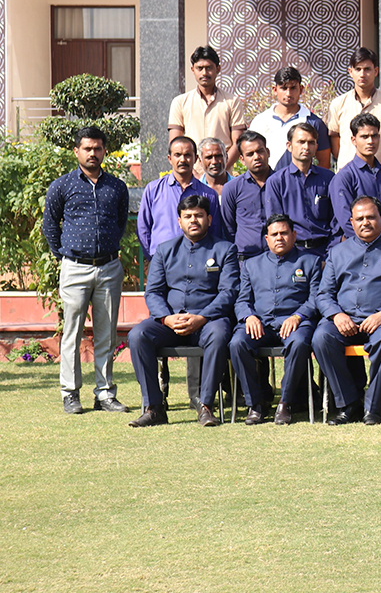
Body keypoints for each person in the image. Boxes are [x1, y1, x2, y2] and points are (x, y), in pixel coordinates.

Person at [127, 196, 239, 427]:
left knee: (219, 334)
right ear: (179, 221)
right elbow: (153, 292)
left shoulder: (225, 249)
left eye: (199, 215)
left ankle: (205, 405)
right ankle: (154, 407)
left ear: (209, 219)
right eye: (188, 216)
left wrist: (202, 317)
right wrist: (166, 318)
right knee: (138, 335)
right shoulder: (165, 250)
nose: (193, 220)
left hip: (208, 321)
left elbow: (228, 292)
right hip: (171, 323)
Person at [42, 126, 130, 415]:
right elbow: (50, 225)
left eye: (98, 148)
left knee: (107, 334)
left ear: (104, 151)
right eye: (87, 148)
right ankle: (70, 393)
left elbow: (120, 223)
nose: (93, 153)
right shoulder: (62, 186)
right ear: (76, 151)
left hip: (109, 267)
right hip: (75, 267)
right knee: (72, 332)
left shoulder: (116, 187)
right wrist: (64, 256)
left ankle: (104, 394)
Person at [312, 196, 381, 425]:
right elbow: (323, 294)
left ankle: (373, 406)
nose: (365, 222)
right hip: (344, 320)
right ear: (351, 222)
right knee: (321, 337)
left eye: (371, 217)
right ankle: (349, 402)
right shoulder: (337, 252)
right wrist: (337, 315)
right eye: (359, 218)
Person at [230, 214, 322, 425]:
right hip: (260, 324)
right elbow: (242, 300)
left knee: (299, 343)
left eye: (284, 233)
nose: (279, 238)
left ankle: (285, 403)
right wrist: (249, 316)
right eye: (274, 234)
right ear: (267, 238)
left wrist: (298, 316)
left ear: (294, 235)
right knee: (237, 343)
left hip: (295, 323)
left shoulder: (311, 262)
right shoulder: (251, 265)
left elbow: (316, 298)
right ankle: (256, 404)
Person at [137, 135, 223, 259]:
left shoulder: (208, 194)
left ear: (196, 159)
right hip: (162, 260)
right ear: (169, 158)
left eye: (187, 155)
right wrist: (153, 258)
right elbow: (143, 228)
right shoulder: (153, 190)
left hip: (198, 261)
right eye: (177, 155)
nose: (182, 160)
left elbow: (215, 231)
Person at [327, 47, 381, 169]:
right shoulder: (338, 104)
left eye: (367, 69)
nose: (362, 74)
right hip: (348, 175)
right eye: (358, 69)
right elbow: (335, 146)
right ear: (350, 72)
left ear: (376, 71)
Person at [264, 123, 336, 258]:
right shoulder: (276, 181)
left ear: (316, 147)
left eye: (311, 143)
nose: (306, 147)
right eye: (301, 142)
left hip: (325, 252)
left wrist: (332, 253)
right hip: (293, 254)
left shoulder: (329, 179)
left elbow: (335, 221)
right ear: (289, 146)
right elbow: (275, 223)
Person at [168, 45, 247, 166]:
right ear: (193, 70)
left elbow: (238, 143)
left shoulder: (232, 102)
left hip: (222, 170)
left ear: (218, 69)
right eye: (200, 68)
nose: (204, 73)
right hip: (191, 171)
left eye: (209, 68)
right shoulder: (180, 102)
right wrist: (192, 173)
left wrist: (220, 170)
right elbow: (175, 144)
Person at [247, 66, 332, 170]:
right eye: (283, 88)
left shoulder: (313, 122)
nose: (288, 93)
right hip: (266, 180)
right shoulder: (260, 121)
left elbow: (324, 162)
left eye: (293, 88)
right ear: (275, 90)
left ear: (301, 89)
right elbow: (249, 155)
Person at [330, 113, 381, 240]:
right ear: (354, 140)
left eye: (374, 136)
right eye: (364, 137)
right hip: (360, 246)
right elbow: (346, 221)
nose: (370, 141)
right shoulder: (344, 177)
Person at [220, 131, 274, 261]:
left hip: (278, 258)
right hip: (245, 259)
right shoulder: (232, 188)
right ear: (242, 160)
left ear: (268, 152)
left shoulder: (283, 183)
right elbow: (229, 228)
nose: (257, 157)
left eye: (260, 151)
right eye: (250, 154)